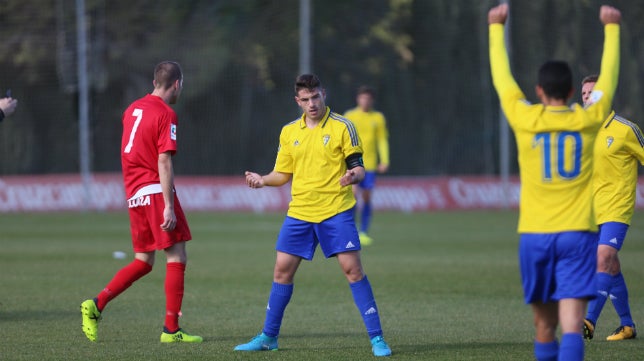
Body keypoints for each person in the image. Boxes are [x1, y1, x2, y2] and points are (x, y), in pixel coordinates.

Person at [488, 4, 620, 361]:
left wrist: (495, 29)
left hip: (535, 234)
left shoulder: (524, 117)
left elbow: (503, 82)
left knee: (544, 328)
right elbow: (608, 81)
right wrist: (611, 29)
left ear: (539, 90)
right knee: (573, 327)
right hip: (577, 234)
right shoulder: (589, 118)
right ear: (571, 90)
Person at [236, 74, 392, 357]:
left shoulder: (344, 126)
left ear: (323, 94)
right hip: (300, 212)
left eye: (315, 97)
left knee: (353, 271)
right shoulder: (289, 132)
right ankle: (269, 337)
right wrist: (262, 180)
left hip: (336, 211)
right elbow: (282, 174)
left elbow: (358, 167)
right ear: (298, 101)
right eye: (305, 100)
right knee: (282, 271)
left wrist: (352, 176)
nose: (311, 104)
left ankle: (377, 338)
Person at [80, 61, 202, 343]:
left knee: (144, 261)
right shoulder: (167, 114)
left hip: (134, 192)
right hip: (155, 190)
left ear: (153, 82)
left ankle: (96, 305)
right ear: (177, 84)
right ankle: (171, 330)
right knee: (176, 257)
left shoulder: (132, 109)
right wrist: (169, 204)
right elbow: (163, 159)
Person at [580, 75, 641, 341]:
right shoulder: (582, 129)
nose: (586, 97)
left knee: (603, 258)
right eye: (583, 94)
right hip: (591, 211)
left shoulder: (625, 129)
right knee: (611, 265)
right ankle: (627, 325)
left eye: (591, 92)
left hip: (617, 207)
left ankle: (588, 320)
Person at [344, 86, 390, 245]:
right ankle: (351, 231)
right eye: (362, 98)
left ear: (372, 101)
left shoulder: (378, 118)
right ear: (358, 99)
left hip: (369, 166)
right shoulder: (350, 116)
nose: (365, 101)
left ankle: (364, 232)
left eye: (368, 99)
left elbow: (382, 140)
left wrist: (384, 160)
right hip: (352, 164)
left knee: (367, 197)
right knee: (353, 196)